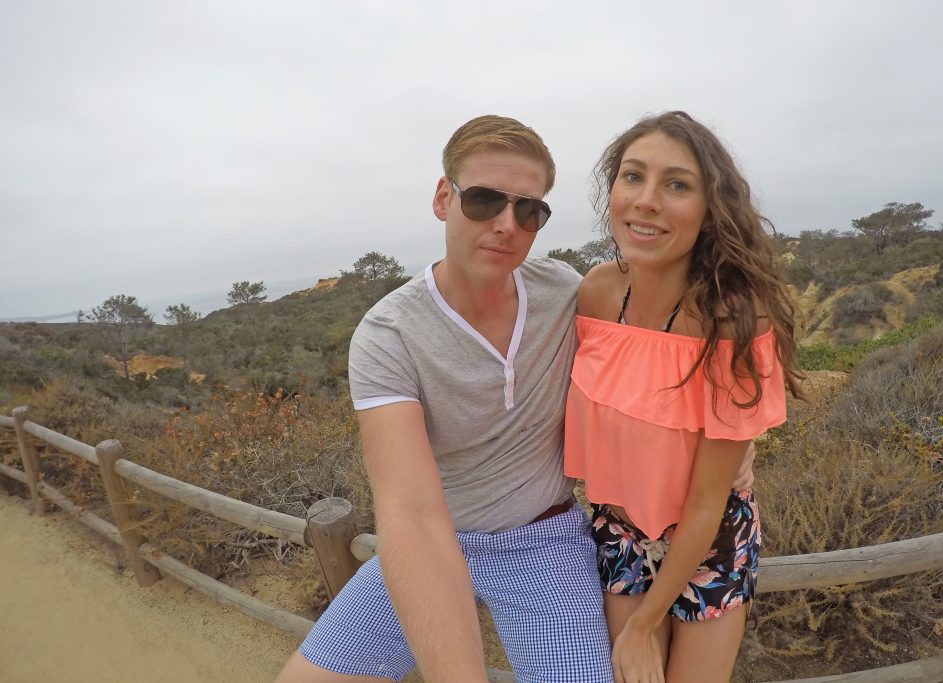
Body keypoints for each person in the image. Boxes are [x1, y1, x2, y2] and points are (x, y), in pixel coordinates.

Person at [276, 114, 755, 683]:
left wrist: (726, 442)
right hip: (437, 535)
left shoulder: (567, 294)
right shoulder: (389, 336)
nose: (507, 225)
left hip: (543, 539)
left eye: (529, 210)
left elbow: (653, 341)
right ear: (441, 198)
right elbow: (409, 513)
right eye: (482, 200)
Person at [564, 111, 805, 683]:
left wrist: (646, 624)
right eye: (632, 176)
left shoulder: (732, 321)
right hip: (617, 530)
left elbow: (705, 503)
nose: (646, 200)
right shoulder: (596, 294)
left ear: (709, 209)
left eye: (676, 184)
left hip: (709, 537)